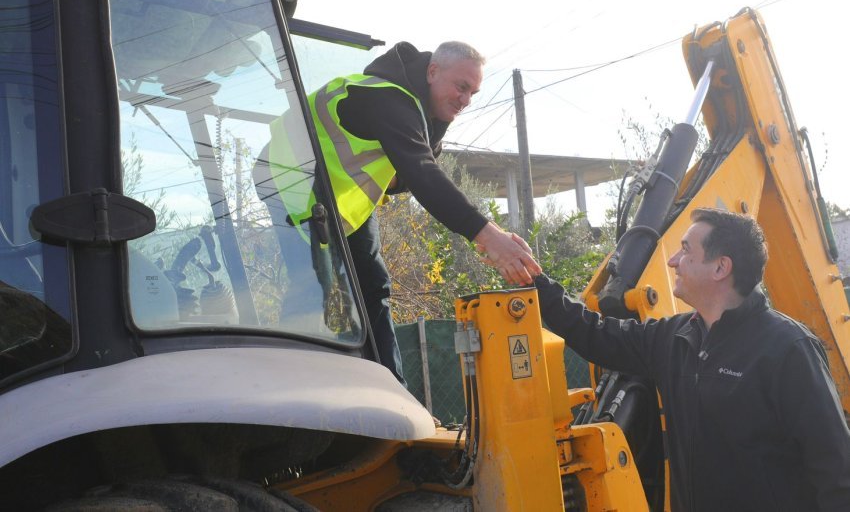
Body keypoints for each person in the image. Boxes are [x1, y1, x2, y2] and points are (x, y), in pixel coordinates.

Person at [534, 207, 850, 511]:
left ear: (720, 268)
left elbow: (836, 469)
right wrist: (536, 280)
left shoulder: (789, 347)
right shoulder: (673, 337)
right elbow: (595, 334)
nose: (673, 261)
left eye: (686, 251)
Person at [275, 41, 541, 385]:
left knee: (373, 286)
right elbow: (422, 174)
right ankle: (288, 385)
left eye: (473, 92)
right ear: (432, 72)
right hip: (289, 181)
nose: (466, 100)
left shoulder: (424, 120)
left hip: (341, 200)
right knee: (315, 289)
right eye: (461, 87)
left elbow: (404, 177)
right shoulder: (388, 98)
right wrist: (490, 237)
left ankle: (390, 390)